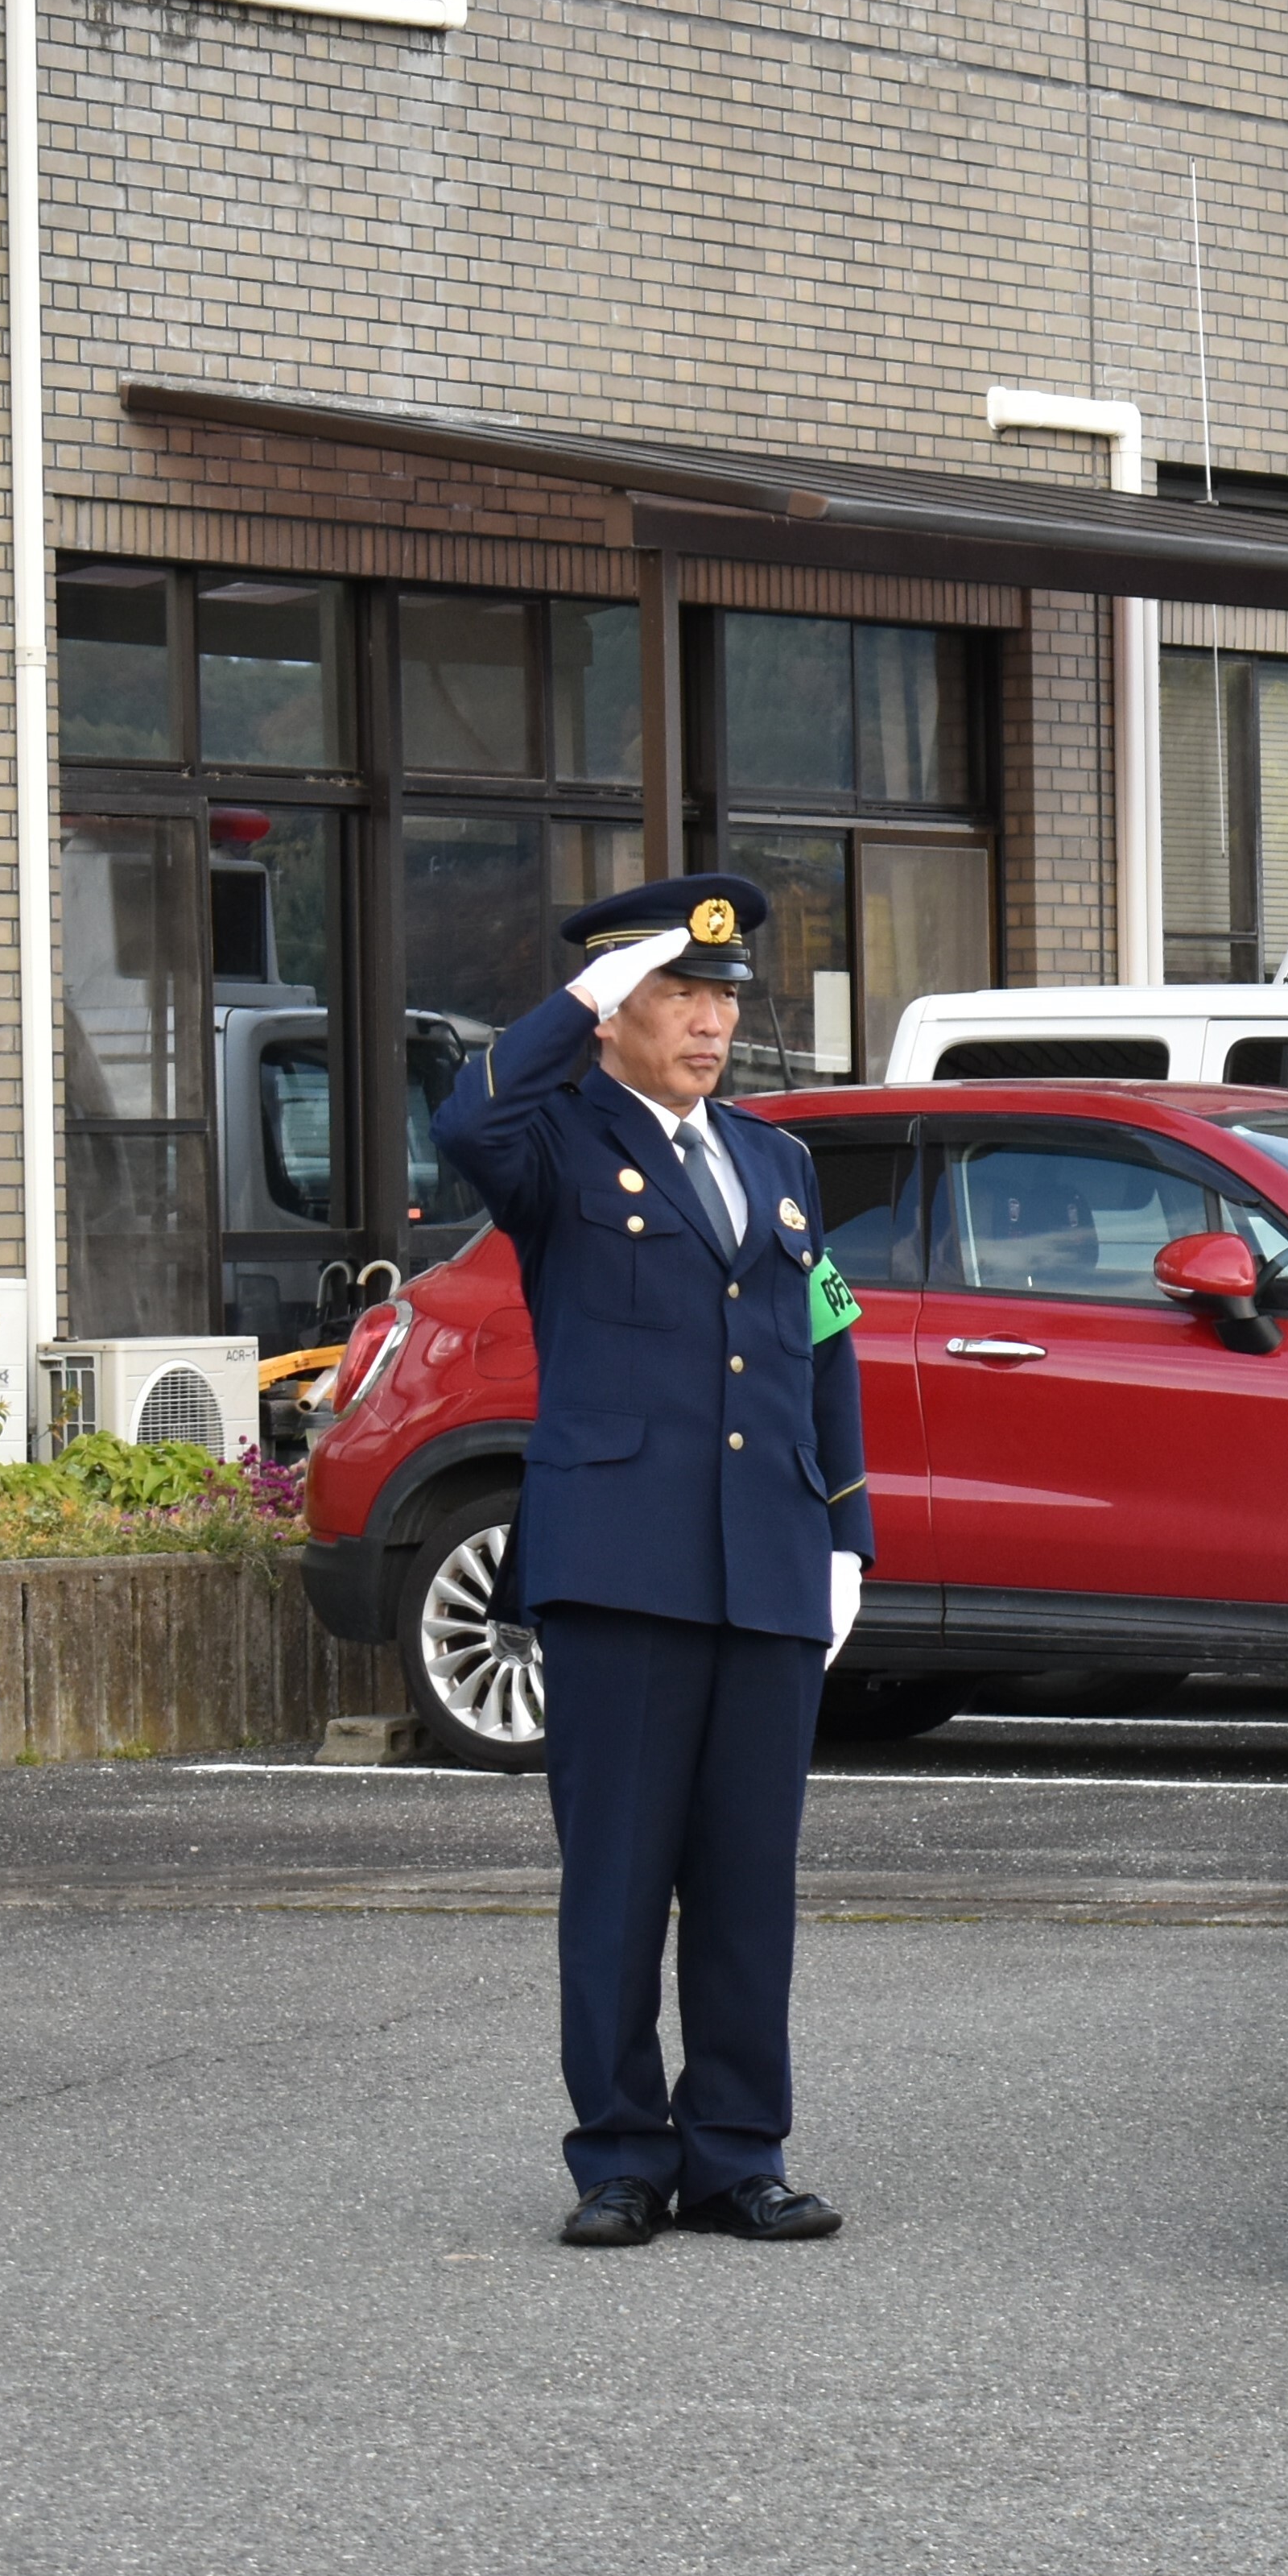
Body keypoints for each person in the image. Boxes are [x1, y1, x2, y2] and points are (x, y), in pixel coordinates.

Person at [433, 875, 878, 2250]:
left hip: (767, 1559)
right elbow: (467, 1117)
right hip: (620, 1560)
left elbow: (823, 1343)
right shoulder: (555, 1144)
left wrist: (847, 1533)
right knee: (620, 1875)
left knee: (749, 1877)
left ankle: (740, 2151)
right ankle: (620, 2154)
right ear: (611, 1016)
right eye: (676, 994)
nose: (708, 1022)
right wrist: (571, 994)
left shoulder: (775, 1159)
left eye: (722, 998)